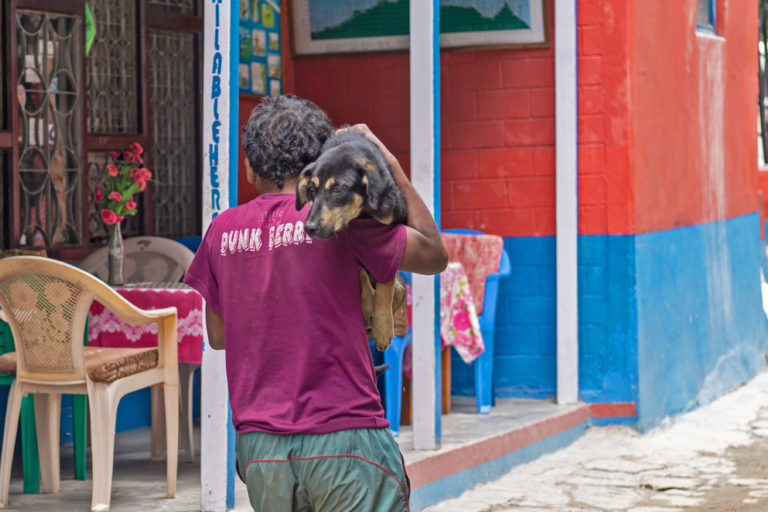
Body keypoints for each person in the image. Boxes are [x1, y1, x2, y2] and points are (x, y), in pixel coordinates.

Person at [184, 94, 448, 511]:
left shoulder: (221, 232)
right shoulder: (345, 222)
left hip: (261, 451)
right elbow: (434, 255)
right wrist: (388, 166)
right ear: (326, 158)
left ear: (249, 166)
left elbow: (217, 337)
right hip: (344, 437)